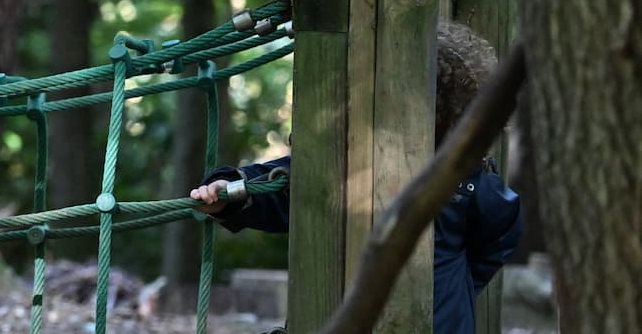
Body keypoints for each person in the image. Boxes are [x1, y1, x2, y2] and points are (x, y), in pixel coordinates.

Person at [187, 21, 522, 334]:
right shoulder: (348, 162)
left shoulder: (465, 177)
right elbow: (288, 185)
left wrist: (460, 281)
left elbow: (501, 229)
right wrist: (231, 189)